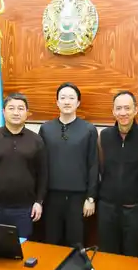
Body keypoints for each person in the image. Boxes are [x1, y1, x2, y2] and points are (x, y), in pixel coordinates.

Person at [0, 93, 47, 238]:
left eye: (20, 108)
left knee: (22, 247)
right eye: (11, 108)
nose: (16, 112)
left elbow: (43, 174)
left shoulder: (36, 140)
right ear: (3, 112)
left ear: (27, 113)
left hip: (25, 209)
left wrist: (39, 201)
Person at [97, 91, 138, 257]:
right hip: (107, 209)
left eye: (127, 108)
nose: (123, 112)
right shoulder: (104, 136)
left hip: (135, 211)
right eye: (118, 108)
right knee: (107, 256)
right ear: (113, 111)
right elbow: (100, 169)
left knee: (133, 257)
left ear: (135, 110)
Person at [39, 83, 98, 247]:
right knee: (51, 243)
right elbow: (40, 165)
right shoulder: (45, 129)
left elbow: (93, 164)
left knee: (76, 244)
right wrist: (39, 198)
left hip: (78, 198)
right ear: (57, 102)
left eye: (71, 98)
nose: (67, 102)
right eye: (63, 98)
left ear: (78, 102)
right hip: (51, 197)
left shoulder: (89, 129)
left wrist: (91, 197)